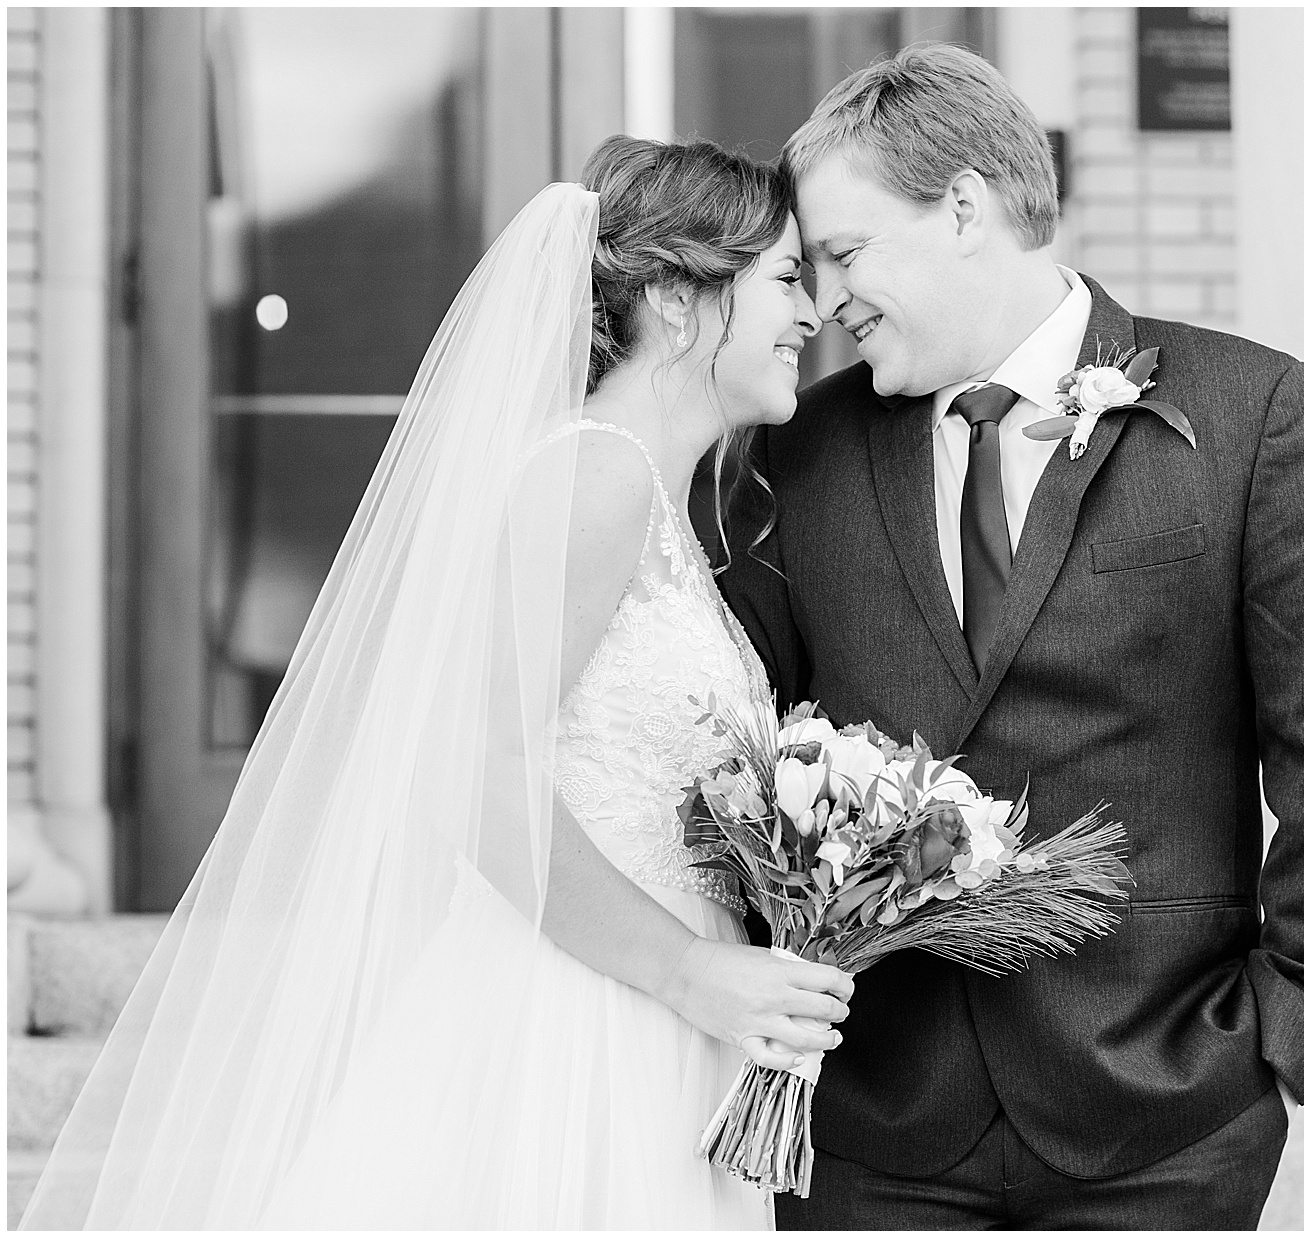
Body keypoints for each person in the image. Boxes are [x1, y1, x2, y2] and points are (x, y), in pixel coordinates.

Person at [20, 137, 850, 1230]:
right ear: (676, 297)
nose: (813, 312)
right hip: (580, 1018)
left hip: (660, 1012)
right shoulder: (592, 475)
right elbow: (472, 774)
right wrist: (690, 969)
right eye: (787, 278)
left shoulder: (655, 500)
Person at [717, 44, 1304, 1229]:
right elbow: (745, 739)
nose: (825, 300)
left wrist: (1281, 1032)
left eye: (843, 253)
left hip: (1164, 1111)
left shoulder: (1252, 414)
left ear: (963, 209)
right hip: (871, 1126)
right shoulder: (802, 451)